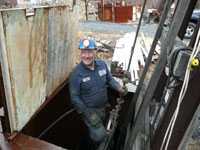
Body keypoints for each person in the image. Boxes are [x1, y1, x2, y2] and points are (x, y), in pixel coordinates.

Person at [69, 39, 127, 148]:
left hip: (103, 108)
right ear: (81, 53)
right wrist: (89, 114)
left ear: (95, 52)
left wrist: (119, 88)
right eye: (84, 52)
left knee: (101, 129)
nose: (87, 56)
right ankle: (89, 146)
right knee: (99, 136)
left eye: (90, 52)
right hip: (90, 111)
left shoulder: (102, 65)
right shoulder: (76, 74)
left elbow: (110, 80)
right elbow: (74, 98)